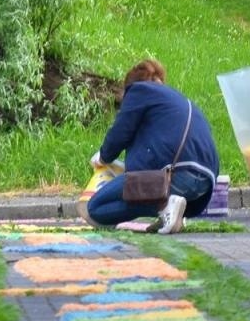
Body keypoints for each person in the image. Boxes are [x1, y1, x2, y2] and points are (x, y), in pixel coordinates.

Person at [86, 58, 220, 234]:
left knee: (95, 208)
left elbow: (121, 132)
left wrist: (103, 157)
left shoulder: (139, 90)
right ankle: (169, 212)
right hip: (205, 184)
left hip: (174, 173)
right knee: (127, 196)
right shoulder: (179, 100)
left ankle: (165, 206)